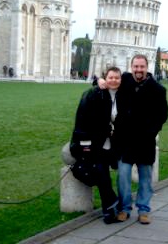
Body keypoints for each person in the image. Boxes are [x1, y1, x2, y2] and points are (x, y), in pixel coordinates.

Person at [98, 54, 168, 225]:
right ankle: (124, 208)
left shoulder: (158, 89)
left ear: (147, 67)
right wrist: (99, 80)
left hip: (145, 142)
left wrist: (152, 131)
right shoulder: (126, 80)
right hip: (125, 141)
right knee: (123, 176)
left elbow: (163, 115)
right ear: (131, 68)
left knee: (145, 178)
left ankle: (144, 210)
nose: (138, 70)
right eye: (135, 67)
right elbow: (110, 80)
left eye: (141, 67)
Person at [70, 66, 124, 224]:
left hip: (111, 144)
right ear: (105, 78)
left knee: (104, 175)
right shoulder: (94, 94)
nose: (114, 80)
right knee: (101, 173)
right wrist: (84, 146)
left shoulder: (122, 95)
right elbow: (82, 121)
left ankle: (111, 208)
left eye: (117, 78)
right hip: (95, 143)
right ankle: (111, 208)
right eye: (110, 77)